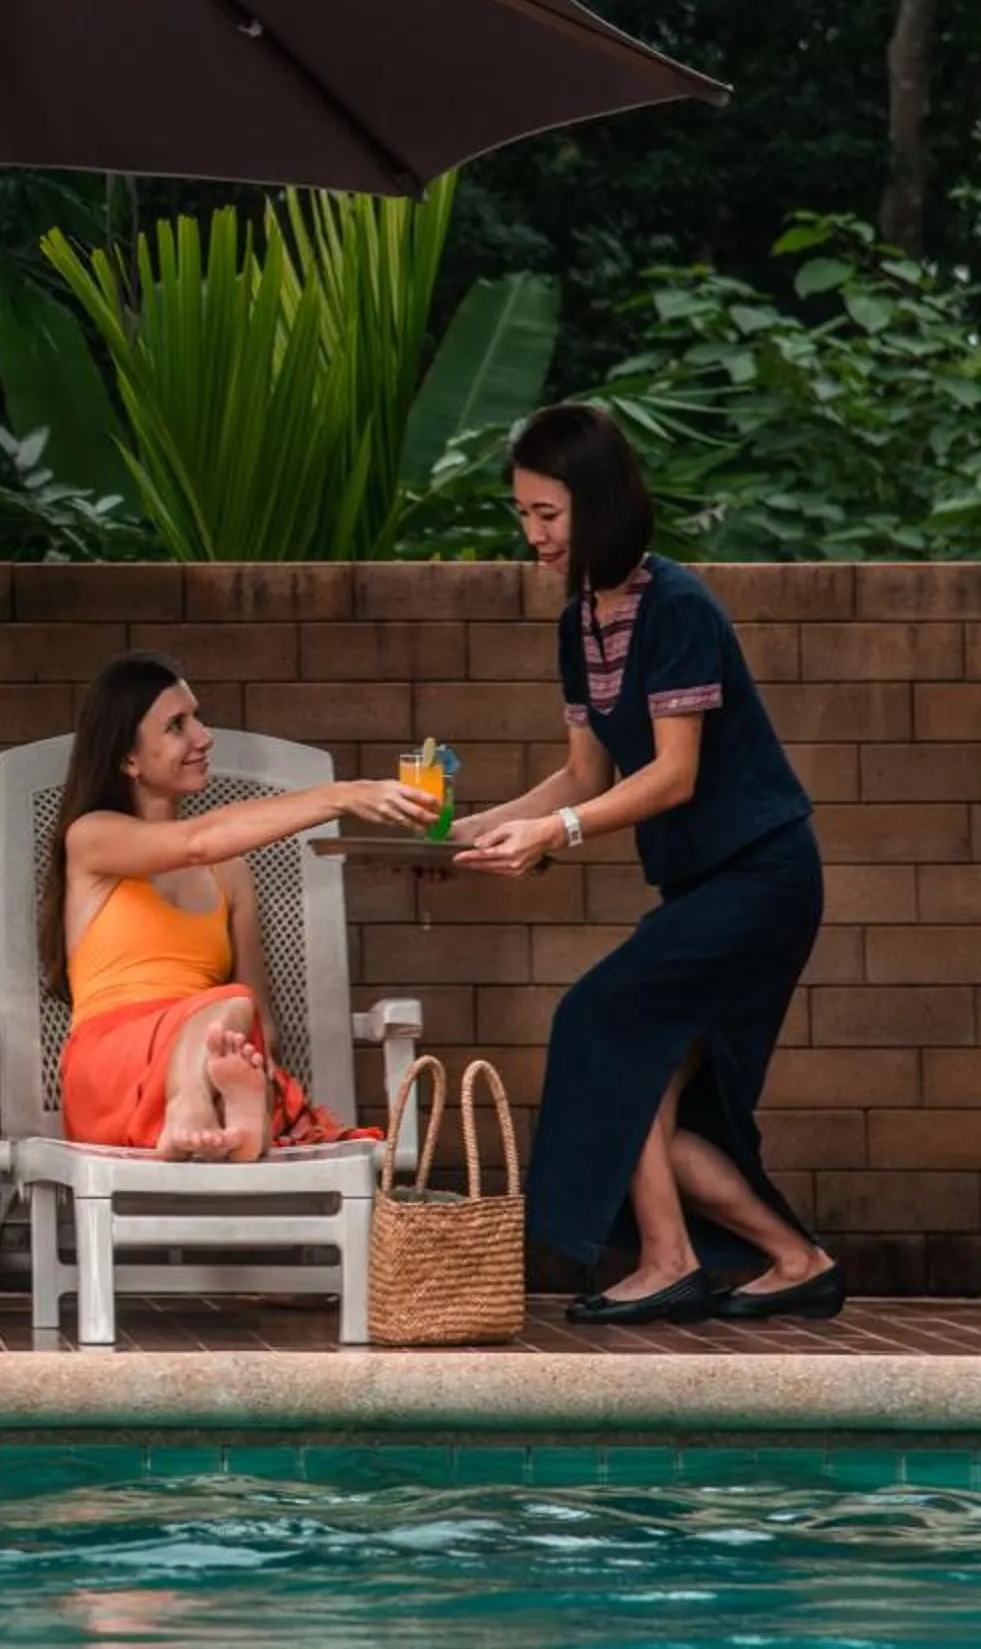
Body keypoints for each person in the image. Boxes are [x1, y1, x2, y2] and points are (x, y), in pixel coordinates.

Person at [452, 403, 842, 1325]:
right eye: (522, 516)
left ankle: (668, 1261)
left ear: (597, 505)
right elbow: (583, 773)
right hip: (706, 886)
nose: (534, 534)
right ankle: (796, 1259)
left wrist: (559, 835)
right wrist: (467, 834)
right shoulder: (579, 624)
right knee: (648, 1097)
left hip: (761, 877)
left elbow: (671, 775)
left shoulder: (677, 607)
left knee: (599, 1021)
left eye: (548, 515)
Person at [46, 652, 439, 1160]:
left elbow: (259, 1016)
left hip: (208, 1049)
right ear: (128, 759)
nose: (203, 737)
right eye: (177, 726)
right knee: (224, 1004)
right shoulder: (91, 838)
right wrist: (341, 796)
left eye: (197, 718)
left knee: (235, 1009)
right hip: (109, 1072)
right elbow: (193, 842)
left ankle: (228, 1117)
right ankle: (194, 1102)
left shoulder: (229, 871)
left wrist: (252, 1061)